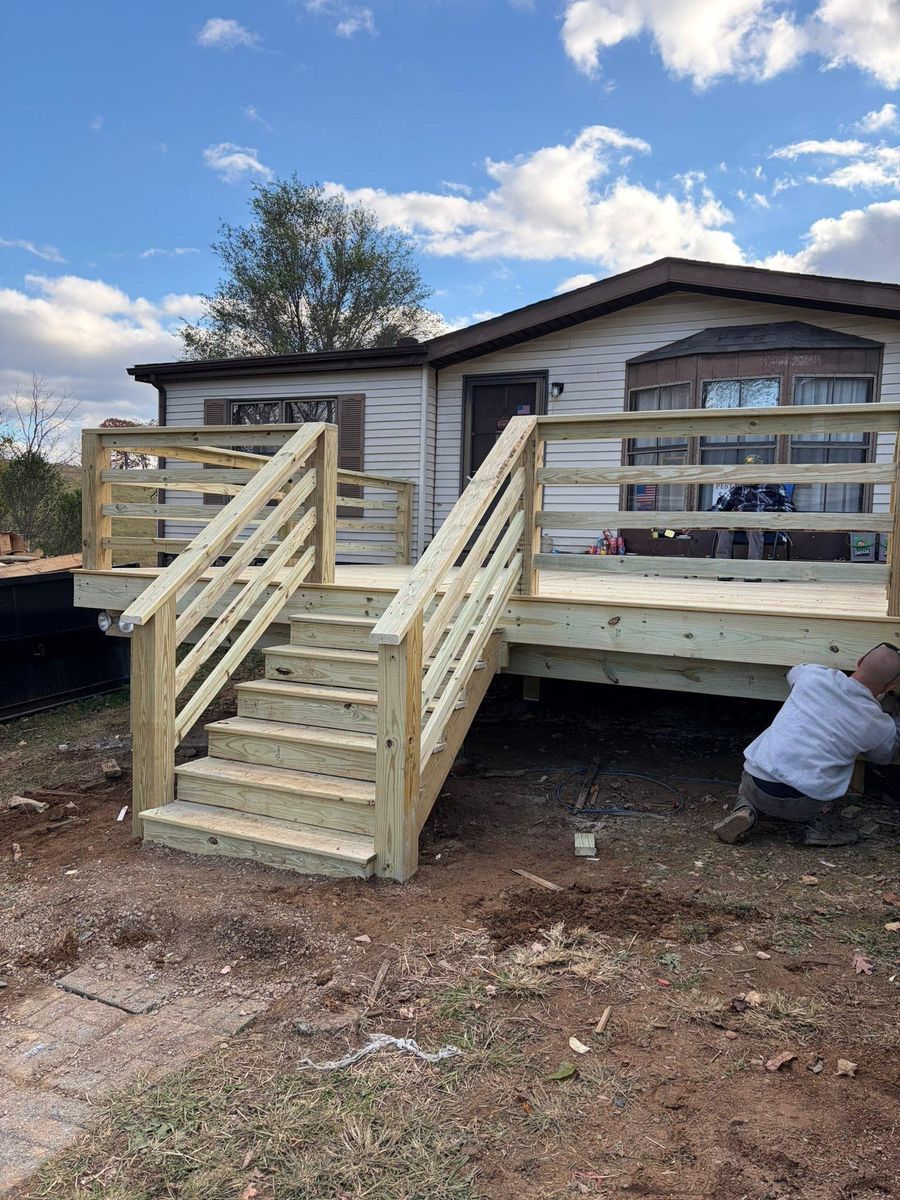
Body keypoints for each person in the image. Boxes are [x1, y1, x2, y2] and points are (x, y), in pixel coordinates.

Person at [715, 643, 900, 848]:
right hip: (807, 803)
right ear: (890, 687)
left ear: (859, 661)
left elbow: (792, 672)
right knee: (829, 793)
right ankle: (818, 830)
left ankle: (746, 809)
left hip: (757, 785)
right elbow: (885, 755)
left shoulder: (813, 676)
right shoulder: (876, 723)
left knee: (751, 780)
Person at [710, 454, 795, 564]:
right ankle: (722, 566)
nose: (750, 473)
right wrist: (698, 520)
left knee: (754, 527)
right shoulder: (739, 487)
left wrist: (772, 514)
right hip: (741, 519)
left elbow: (788, 507)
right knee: (724, 525)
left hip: (763, 520)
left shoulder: (774, 485)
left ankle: (753, 569)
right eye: (747, 470)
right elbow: (720, 507)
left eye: (753, 469)